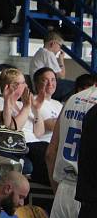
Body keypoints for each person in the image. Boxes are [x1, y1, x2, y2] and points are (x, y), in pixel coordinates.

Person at [46, 79, 97, 218]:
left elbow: (50, 153)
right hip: (88, 194)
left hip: (63, 188)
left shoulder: (72, 99)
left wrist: (57, 191)